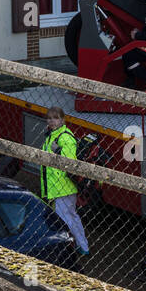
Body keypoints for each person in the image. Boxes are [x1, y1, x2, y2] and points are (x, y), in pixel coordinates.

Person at [40, 106, 89, 256]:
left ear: (62, 119)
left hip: (64, 187)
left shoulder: (65, 137)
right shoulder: (51, 135)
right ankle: (80, 245)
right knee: (68, 218)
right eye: (49, 118)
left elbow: (70, 162)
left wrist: (57, 150)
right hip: (56, 187)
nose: (52, 121)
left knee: (66, 219)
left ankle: (77, 246)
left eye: (55, 118)